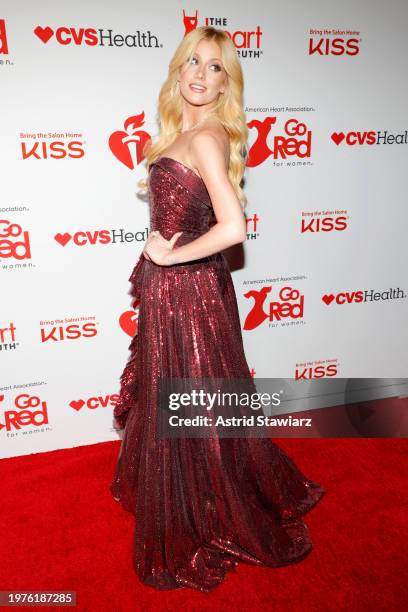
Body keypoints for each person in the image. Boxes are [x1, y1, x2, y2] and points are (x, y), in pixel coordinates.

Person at [110, 25, 325, 593]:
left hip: (188, 293)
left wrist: (168, 253)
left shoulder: (205, 137)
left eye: (216, 68)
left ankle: (206, 505)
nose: (202, 75)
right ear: (178, 69)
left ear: (227, 82)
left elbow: (232, 228)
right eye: (194, 63)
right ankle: (199, 494)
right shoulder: (187, 132)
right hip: (187, 290)